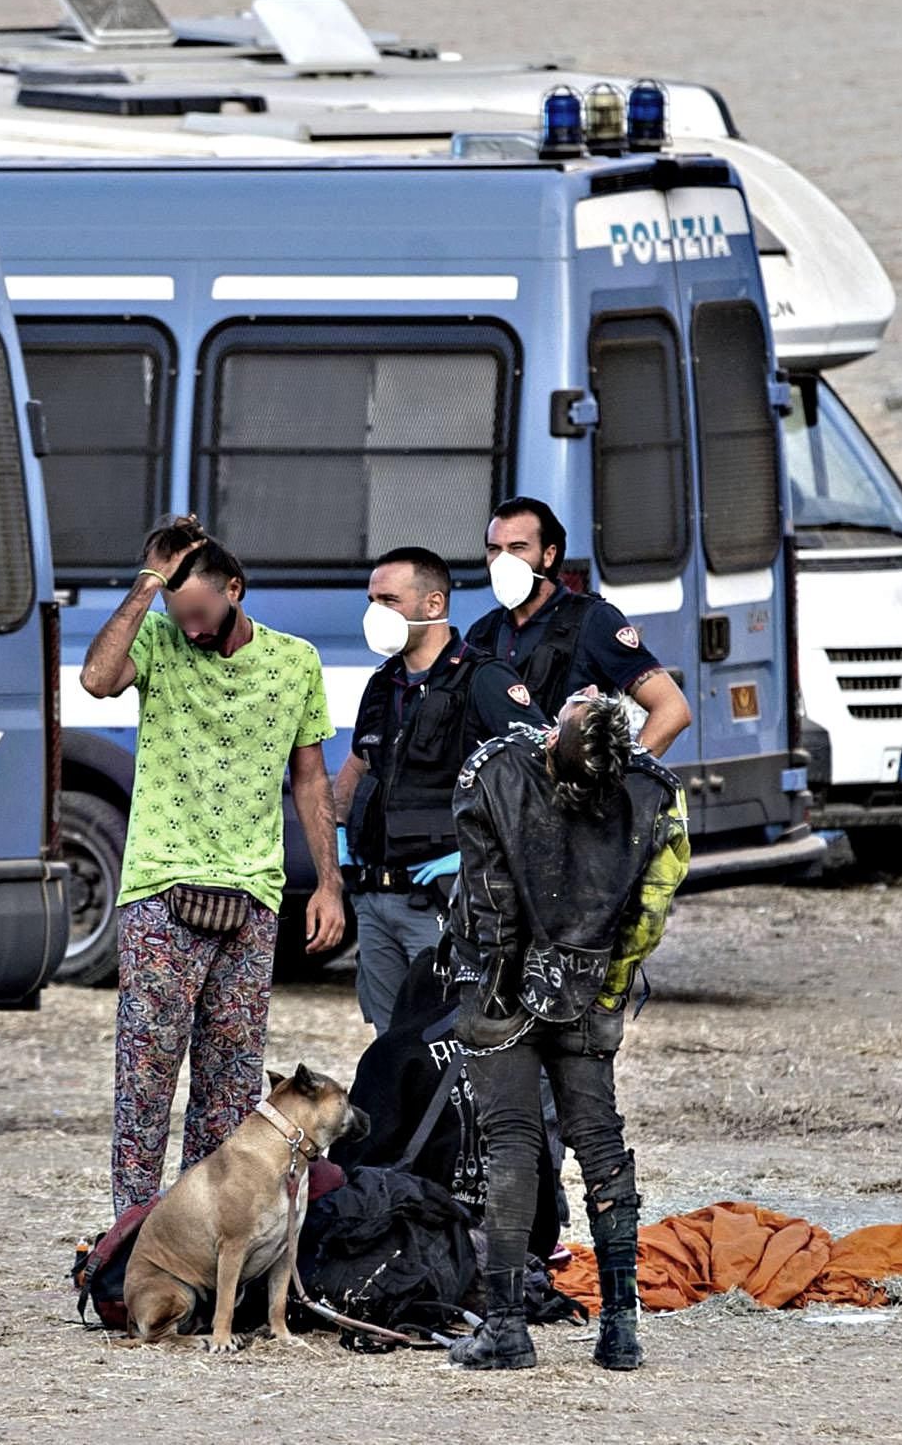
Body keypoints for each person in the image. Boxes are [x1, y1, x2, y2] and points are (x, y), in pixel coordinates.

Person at [79, 513, 346, 1214]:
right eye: (180, 613)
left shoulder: (296, 661)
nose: (191, 628)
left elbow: (311, 777)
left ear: (236, 587)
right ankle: (131, 1238)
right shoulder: (161, 638)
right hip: (162, 890)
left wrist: (328, 881)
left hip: (252, 896)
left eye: (201, 613)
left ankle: (205, 1234)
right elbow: (98, 678)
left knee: (229, 1090)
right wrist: (150, 581)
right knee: (146, 1077)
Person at [446, 691, 690, 1372]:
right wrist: (607, 986)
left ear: (556, 738)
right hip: (586, 984)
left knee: (513, 1144)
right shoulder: (653, 790)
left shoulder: (491, 772)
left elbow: (492, 906)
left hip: (498, 989)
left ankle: (505, 1326)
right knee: (600, 1140)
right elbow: (650, 910)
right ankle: (620, 1326)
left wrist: (494, 994)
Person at [331, 545, 540, 1033]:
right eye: (371, 599)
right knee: (392, 1041)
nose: (375, 613)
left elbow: (538, 780)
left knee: (452, 1038)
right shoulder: (384, 684)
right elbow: (357, 768)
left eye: (389, 600)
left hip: (444, 902)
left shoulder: (484, 681)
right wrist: (338, 840)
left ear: (433, 605)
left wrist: (474, 858)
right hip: (375, 896)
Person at [466, 496, 693, 757]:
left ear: (548, 555)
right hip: (505, 792)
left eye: (518, 548)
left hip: (571, 792)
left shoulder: (593, 621)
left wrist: (622, 775)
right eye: (494, 549)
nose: (503, 561)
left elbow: (673, 709)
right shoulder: (483, 632)